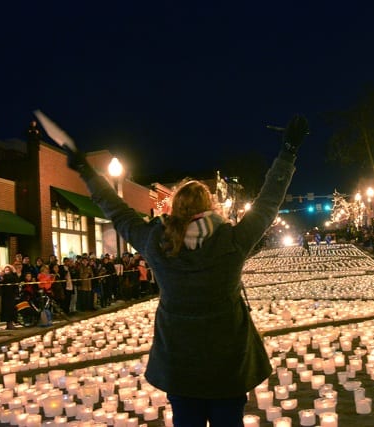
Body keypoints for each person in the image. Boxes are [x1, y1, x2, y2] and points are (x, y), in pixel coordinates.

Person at [65, 114, 308, 426]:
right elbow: (267, 203)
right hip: (228, 363)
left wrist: (88, 173)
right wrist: (288, 151)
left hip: (179, 364)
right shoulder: (230, 241)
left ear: (174, 208)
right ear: (211, 207)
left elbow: (116, 209)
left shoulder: (156, 243)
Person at [0, 264, 19, 330]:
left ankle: (10, 323)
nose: (7, 271)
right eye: (6, 269)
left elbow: (16, 279)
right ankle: (9, 324)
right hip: (5, 295)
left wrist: (14, 270)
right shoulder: (4, 276)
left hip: (11, 295)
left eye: (8, 269)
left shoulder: (12, 276)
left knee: (12, 309)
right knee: (7, 310)